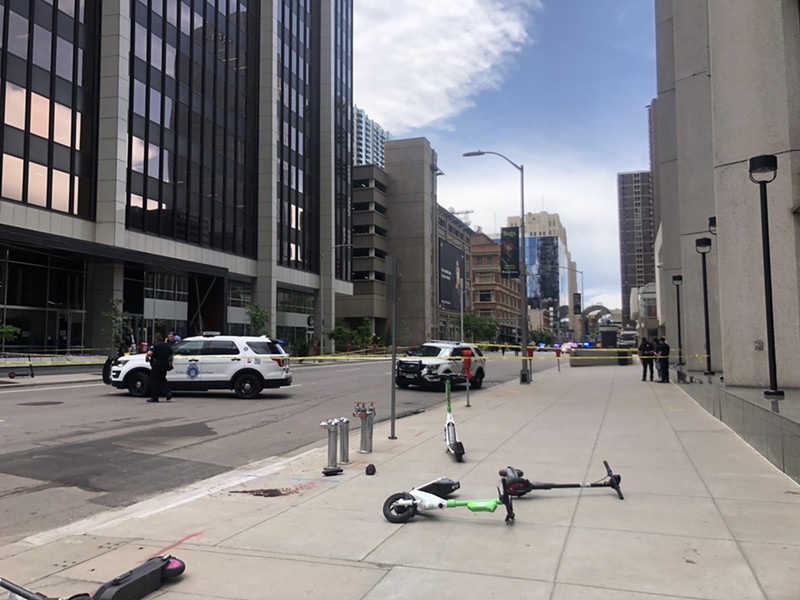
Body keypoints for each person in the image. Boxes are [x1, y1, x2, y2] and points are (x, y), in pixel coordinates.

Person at [146, 332, 174, 402]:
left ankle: (155, 398)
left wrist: (146, 356)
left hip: (157, 366)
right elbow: (171, 354)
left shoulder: (155, 345)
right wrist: (170, 363)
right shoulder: (166, 345)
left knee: (154, 381)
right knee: (163, 379)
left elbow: (150, 353)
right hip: (165, 365)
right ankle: (168, 393)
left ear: (155, 338)